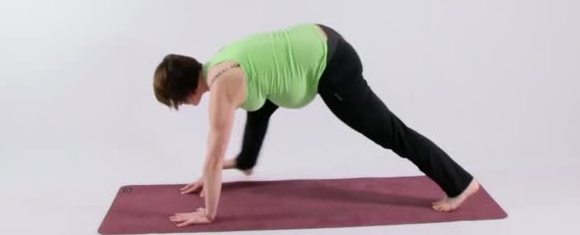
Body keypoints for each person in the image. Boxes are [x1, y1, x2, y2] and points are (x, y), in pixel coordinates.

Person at [153, 22, 480, 227]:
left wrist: (208, 210)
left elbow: (212, 154)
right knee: (261, 105)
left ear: (185, 90)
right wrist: (222, 169)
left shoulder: (224, 82)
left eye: (176, 99)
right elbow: (259, 100)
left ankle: (460, 183)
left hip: (332, 64)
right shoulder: (219, 60)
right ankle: (247, 161)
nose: (180, 106)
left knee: (390, 133)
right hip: (318, 36)